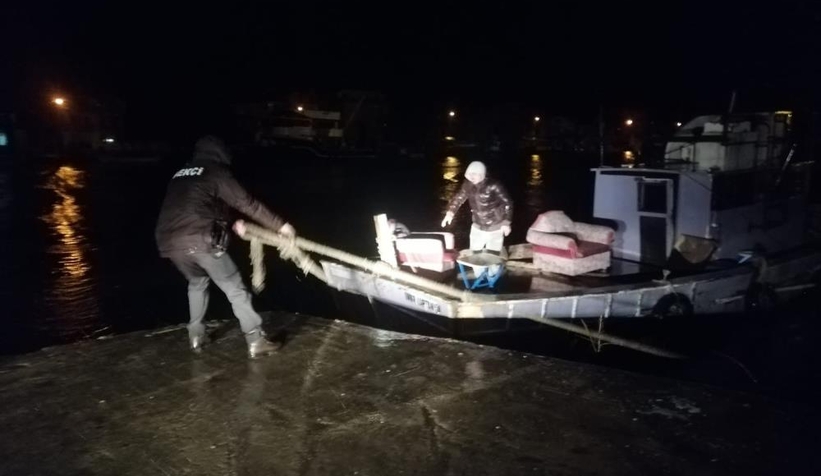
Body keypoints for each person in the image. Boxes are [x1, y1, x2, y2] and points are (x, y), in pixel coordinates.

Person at [155, 135, 296, 358]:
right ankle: (256, 341)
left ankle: (196, 336)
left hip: (168, 241)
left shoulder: (181, 173)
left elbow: (198, 206)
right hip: (200, 239)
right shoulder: (216, 171)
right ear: (221, 153)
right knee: (235, 289)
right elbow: (246, 203)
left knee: (197, 282)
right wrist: (281, 226)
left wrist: (233, 223)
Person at [441, 161, 513, 254]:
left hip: (496, 227)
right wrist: (450, 212)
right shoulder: (467, 184)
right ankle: (479, 268)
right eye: (469, 174)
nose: (471, 177)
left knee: (493, 259)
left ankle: (497, 267)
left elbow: (508, 203)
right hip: (477, 226)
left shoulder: (494, 185)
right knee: (475, 256)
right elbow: (458, 198)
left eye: (475, 174)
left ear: (482, 174)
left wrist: (506, 222)